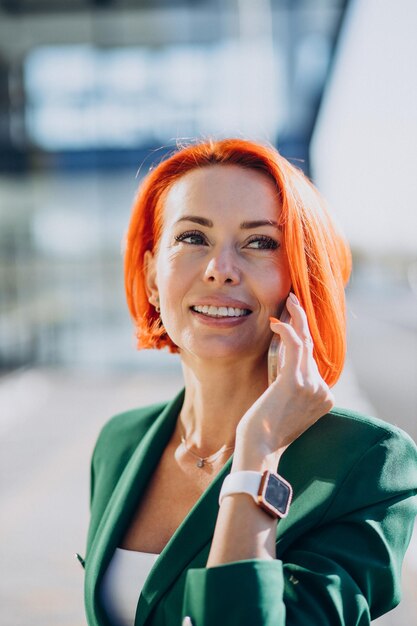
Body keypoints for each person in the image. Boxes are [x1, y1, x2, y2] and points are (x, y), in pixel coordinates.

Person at [80, 138, 417, 626]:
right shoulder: (120, 442)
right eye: (193, 238)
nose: (220, 271)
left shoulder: (371, 463)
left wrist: (257, 453)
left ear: (300, 279)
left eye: (260, 242)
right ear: (153, 276)